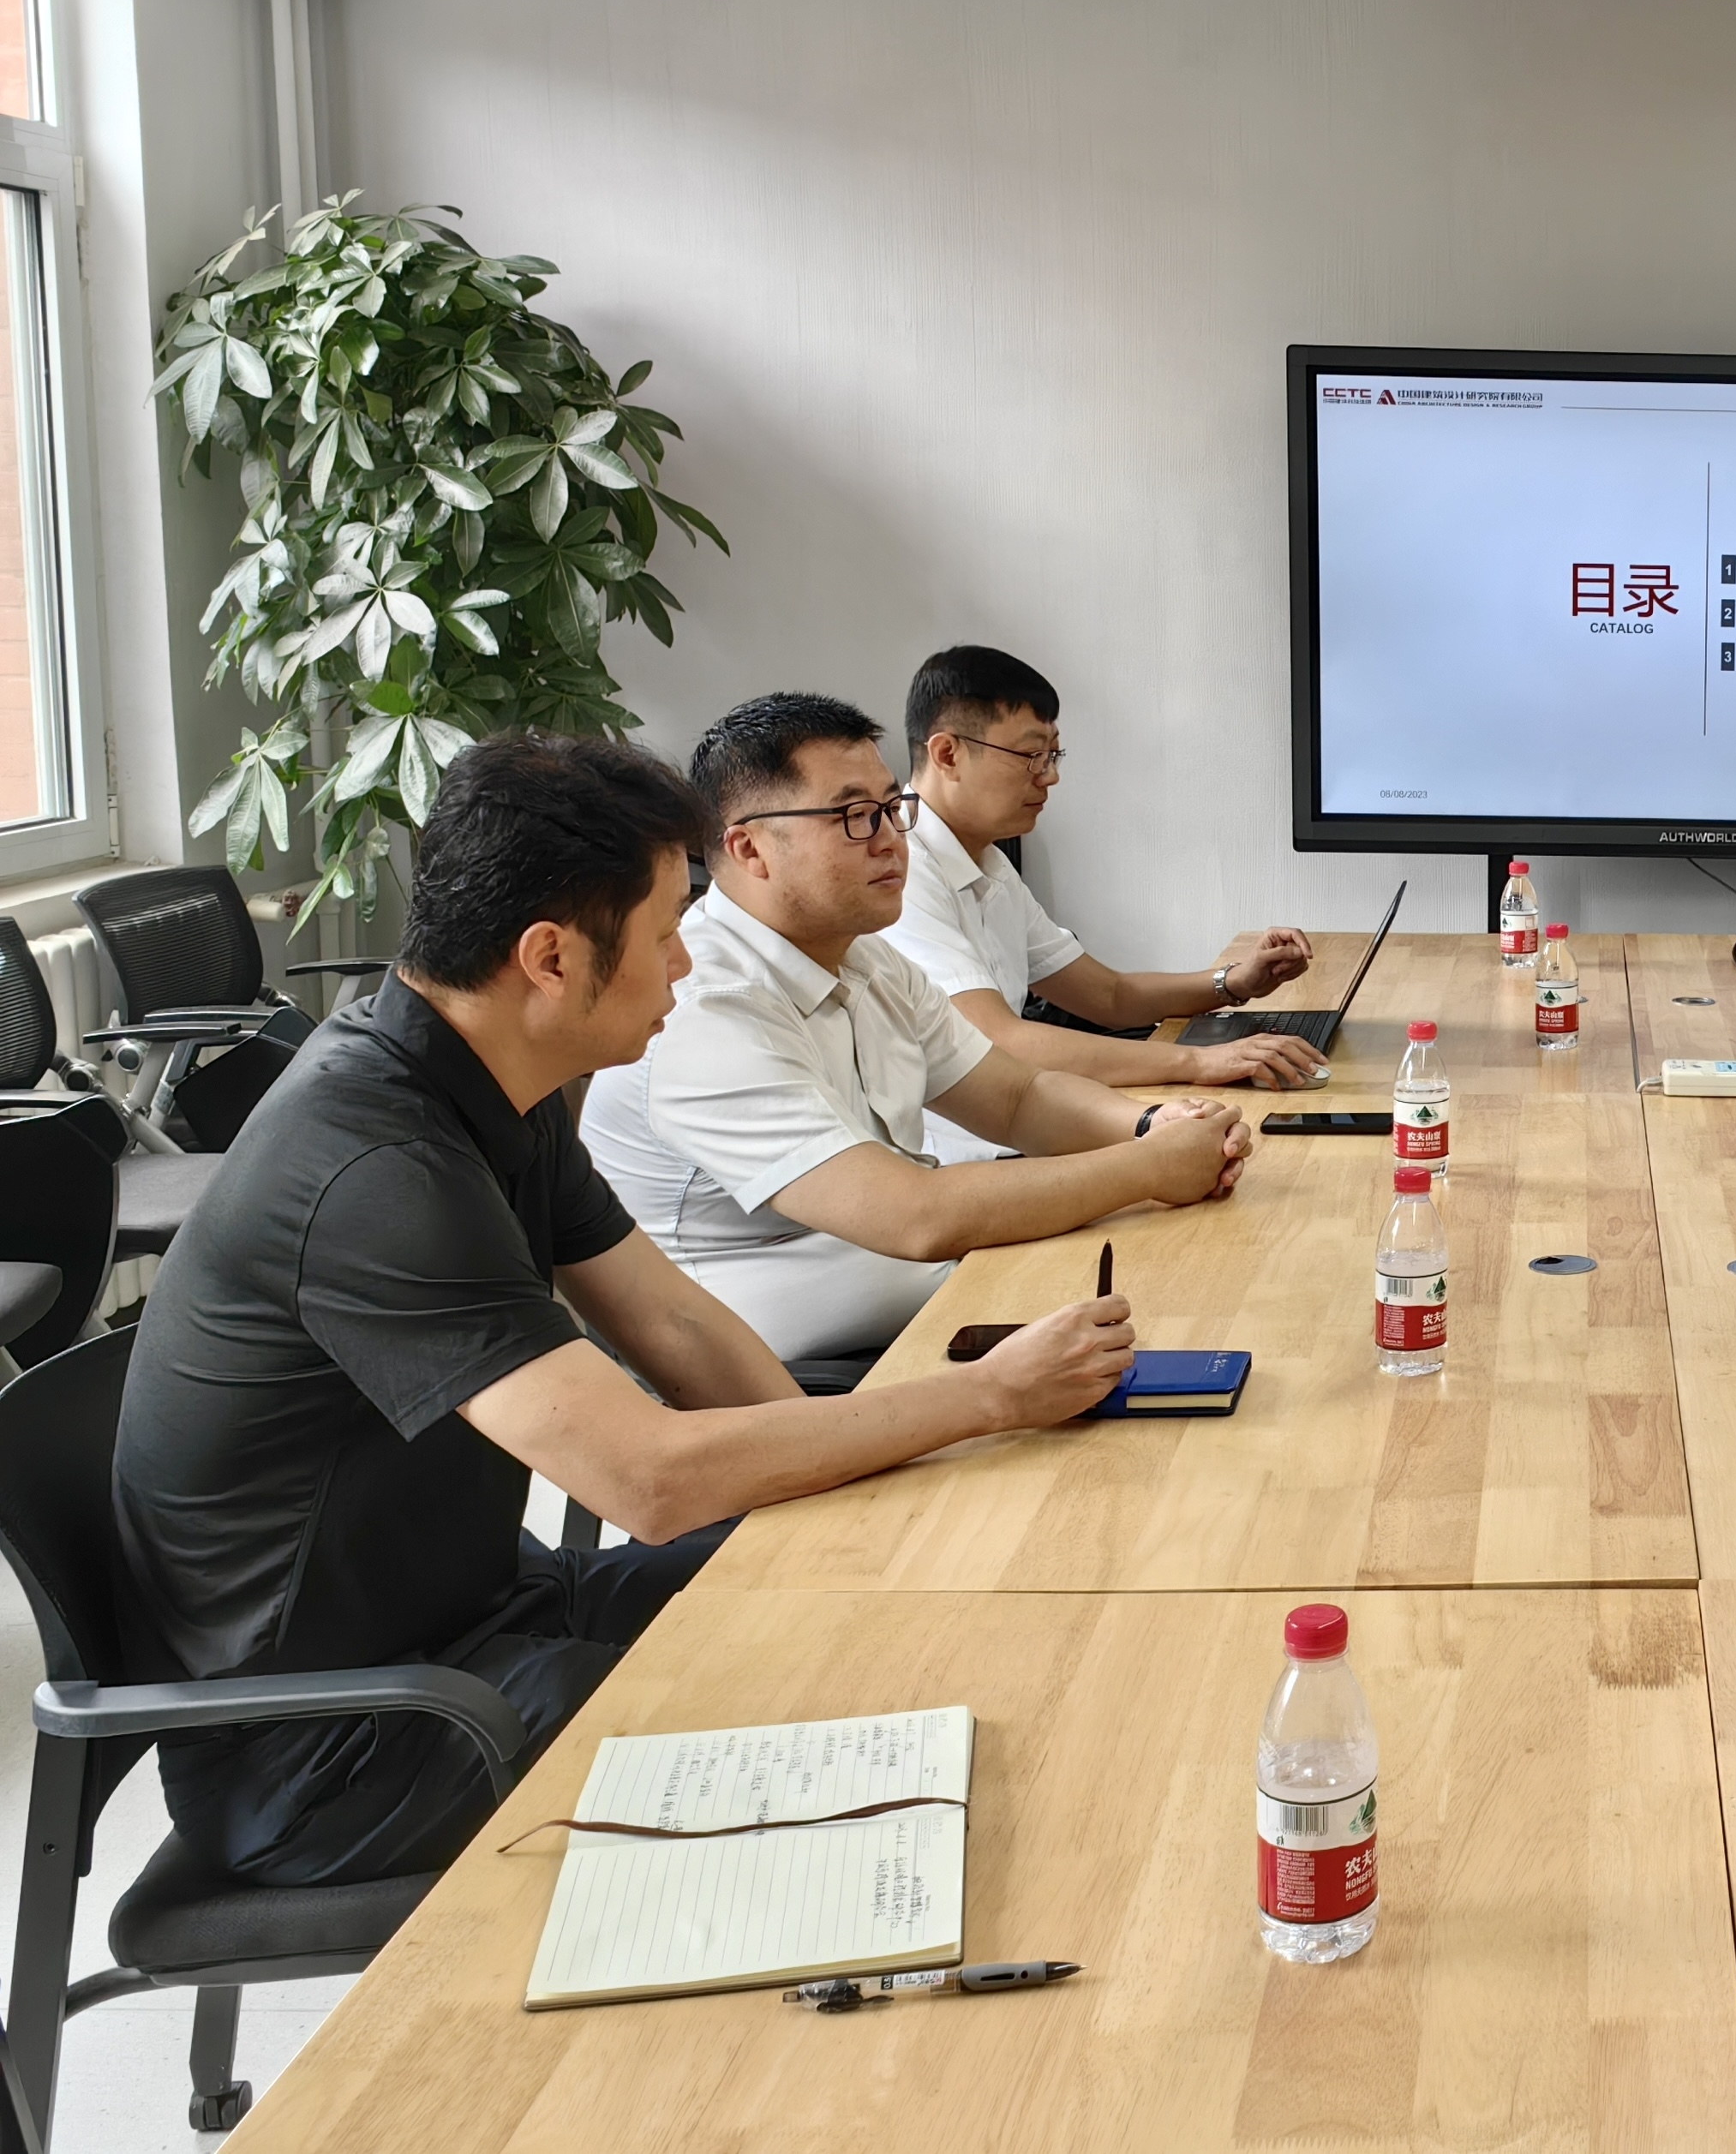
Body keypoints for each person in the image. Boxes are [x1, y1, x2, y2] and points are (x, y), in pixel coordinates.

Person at [111, 734, 1142, 1888]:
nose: (684, 964)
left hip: (489, 1612)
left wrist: (856, 1512)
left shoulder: (493, 1083)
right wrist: (983, 1397)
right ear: (550, 958)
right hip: (341, 1746)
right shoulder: (375, 1166)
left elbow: (676, 1330)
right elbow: (648, 1481)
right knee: (856, 1725)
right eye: (662, 936)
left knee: (897, 1602)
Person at [582, 693, 1253, 1367]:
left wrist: (1151, 1124)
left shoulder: (867, 957)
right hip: (787, 1379)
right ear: (749, 847)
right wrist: (1148, 1166)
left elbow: (1016, 1098)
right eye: (854, 816)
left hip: (934, 1303)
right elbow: (915, 1215)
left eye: (890, 807)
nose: (890, 838)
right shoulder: (705, 1009)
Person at [889, 643, 1319, 1164]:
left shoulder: (988, 861)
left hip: (1023, 1134)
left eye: (1053, 755)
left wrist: (1234, 982)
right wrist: (1200, 1061)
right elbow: (1001, 1042)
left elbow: (1107, 994)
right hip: (957, 1161)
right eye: (1030, 756)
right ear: (947, 754)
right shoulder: (900, 870)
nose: (1049, 776)